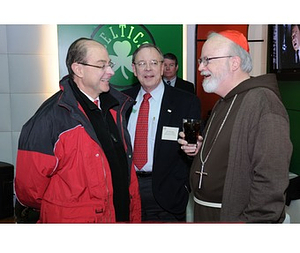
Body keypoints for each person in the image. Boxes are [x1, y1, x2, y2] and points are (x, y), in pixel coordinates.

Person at [15, 37, 141, 223]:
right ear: (78, 69)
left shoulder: (115, 108)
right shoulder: (50, 118)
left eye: (110, 64)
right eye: (102, 65)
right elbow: (29, 191)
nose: (111, 71)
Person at [178, 30, 292, 223]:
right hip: (206, 213)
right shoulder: (223, 101)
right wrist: (199, 150)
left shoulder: (263, 102)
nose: (201, 68)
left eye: (207, 60)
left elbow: (271, 177)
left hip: (236, 218)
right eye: (200, 61)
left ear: (234, 63)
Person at [123, 43, 201, 222]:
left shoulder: (185, 101)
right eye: (141, 63)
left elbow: (193, 146)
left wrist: (194, 149)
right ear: (134, 69)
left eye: (153, 63)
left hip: (168, 195)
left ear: (162, 67)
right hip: (129, 192)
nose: (148, 68)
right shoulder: (122, 101)